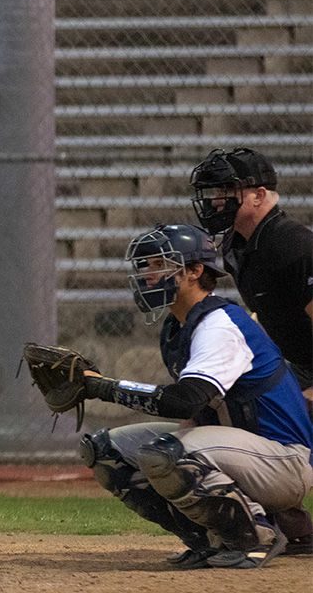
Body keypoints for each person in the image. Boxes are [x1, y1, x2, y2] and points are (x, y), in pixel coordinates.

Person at [74, 224, 313, 569]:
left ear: (195, 271)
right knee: (105, 450)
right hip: (244, 453)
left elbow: (183, 400)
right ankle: (210, 539)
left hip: (284, 461)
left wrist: (103, 387)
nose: (147, 275)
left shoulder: (219, 324)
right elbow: (196, 414)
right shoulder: (179, 325)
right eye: (144, 266)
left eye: (158, 264)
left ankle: (256, 534)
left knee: (167, 453)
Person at [189, 148, 313, 394]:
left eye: (227, 191)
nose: (216, 200)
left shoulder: (291, 245)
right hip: (295, 365)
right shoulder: (235, 245)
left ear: (259, 195)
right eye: (217, 191)